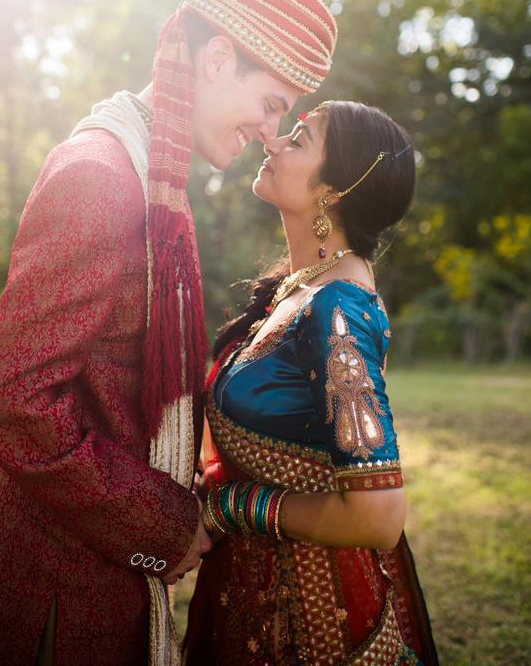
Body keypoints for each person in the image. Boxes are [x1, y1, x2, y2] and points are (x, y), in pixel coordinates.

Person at [0, 0, 338, 666]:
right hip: (58, 595)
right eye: (273, 103)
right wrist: (159, 521)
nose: (274, 133)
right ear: (218, 59)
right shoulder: (103, 179)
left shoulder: (153, 180)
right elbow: (11, 400)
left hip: (95, 577)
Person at [183, 101, 439, 665]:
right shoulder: (297, 289)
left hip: (309, 612)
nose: (271, 141)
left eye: (299, 140)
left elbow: (378, 517)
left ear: (335, 191)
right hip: (256, 584)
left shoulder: (337, 309)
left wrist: (231, 507)